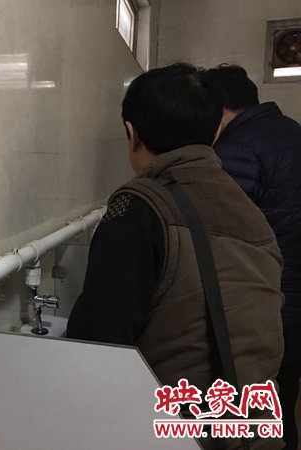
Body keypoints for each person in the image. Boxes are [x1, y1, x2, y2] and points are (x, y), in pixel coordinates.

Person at [66, 63, 284, 449]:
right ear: (213, 133)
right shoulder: (248, 210)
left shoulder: (140, 205)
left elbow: (97, 343)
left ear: (132, 133)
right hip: (249, 430)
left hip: (174, 432)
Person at [206, 63, 301, 450]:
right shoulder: (293, 131)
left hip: (266, 300)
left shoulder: (236, 150)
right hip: (294, 298)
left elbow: (226, 236)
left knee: (251, 413)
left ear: (218, 108)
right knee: (283, 401)